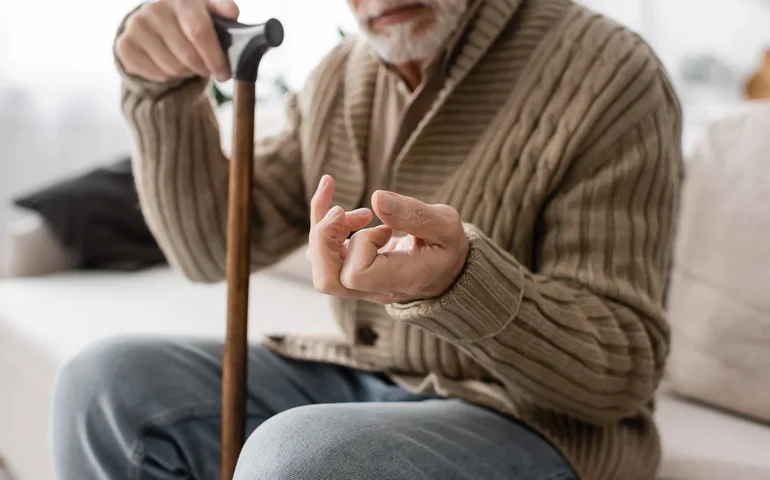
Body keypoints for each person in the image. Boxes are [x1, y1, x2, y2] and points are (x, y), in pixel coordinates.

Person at [51, 0, 684, 479]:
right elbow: (211, 250)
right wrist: (156, 90)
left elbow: (618, 373)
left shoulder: (611, 74)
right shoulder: (340, 75)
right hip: (365, 376)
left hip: (534, 420)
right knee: (105, 383)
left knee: (300, 458)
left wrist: (461, 283)